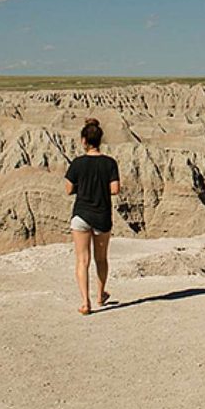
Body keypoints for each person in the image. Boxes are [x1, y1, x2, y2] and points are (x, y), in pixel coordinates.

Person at [64, 118, 120, 315]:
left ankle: (85, 303)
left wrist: (84, 186)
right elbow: (115, 190)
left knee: (82, 260)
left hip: (81, 215)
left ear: (83, 141)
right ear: (100, 140)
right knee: (101, 259)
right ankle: (100, 294)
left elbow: (69, 189)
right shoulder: (110, 163)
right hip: (102, 216)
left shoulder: (77, 164)